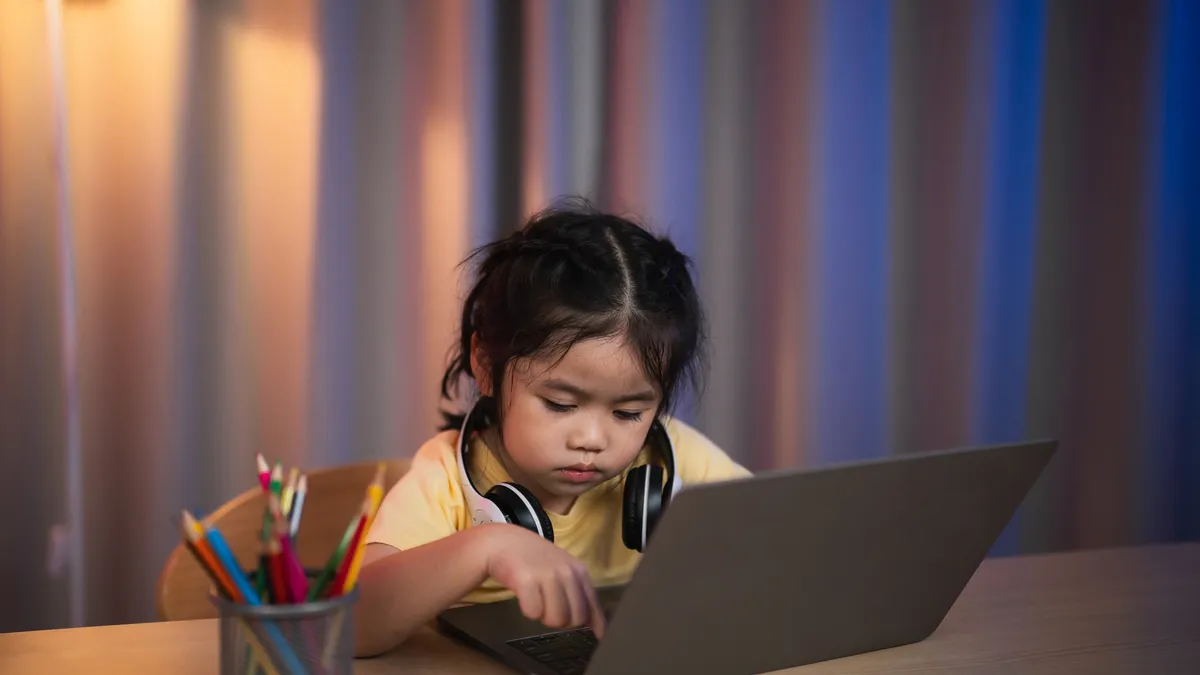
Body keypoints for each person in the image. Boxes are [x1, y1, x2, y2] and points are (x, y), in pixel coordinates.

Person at [353, 198, 750, 657]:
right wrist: (488, 547)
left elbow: (783, 548)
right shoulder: (444, 479)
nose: (592, 439)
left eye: (628, 413)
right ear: (485, 365)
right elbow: (355, 626)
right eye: (560, 404)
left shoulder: (672, 458)